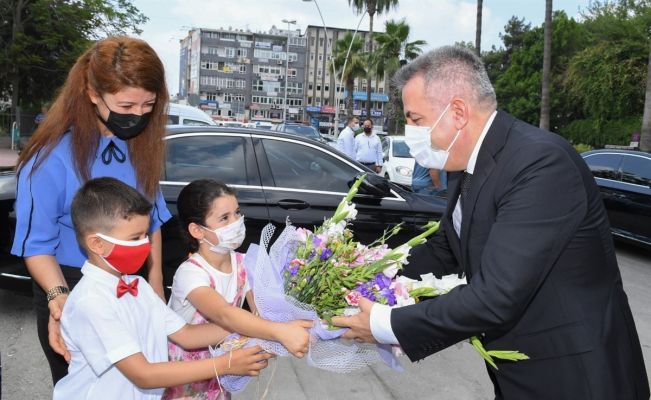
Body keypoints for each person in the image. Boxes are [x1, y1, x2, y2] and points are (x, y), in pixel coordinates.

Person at [332, 46, 649, 399]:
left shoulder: (540, 163)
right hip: (519, 373)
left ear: (457, 112)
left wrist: (382, 323)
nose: (411, 133)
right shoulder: (465, 167)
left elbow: (497, 296)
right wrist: (366, 271)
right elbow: (444, 251)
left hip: (575, 376)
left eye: (416, 120)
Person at [11, 36, 171, 384]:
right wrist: (60, 299)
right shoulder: (49, 158)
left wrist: (155, 284)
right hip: (73, 285)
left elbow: (153, 223)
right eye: (127, 107)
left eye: (149, 106)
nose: (139, 117)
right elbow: (36, 245)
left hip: (132, 283)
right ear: (93, 93)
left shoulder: (142, 148)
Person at [53, 177, 272, 399]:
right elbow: (143, 374)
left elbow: (186, 335)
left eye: (145, 235)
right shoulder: (91, 301)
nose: (145, 244)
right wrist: (224, 364)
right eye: (135, 238)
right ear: (97, 244)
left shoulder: (137, 286)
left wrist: (255, 329)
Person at [164, 179, 312, 399]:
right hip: (185, 376)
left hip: (226, 369)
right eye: (224, 218)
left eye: (237, 213)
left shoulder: (245, 263)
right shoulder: (191, 273)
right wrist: (278, 331)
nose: (236, 222)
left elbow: (264, 310)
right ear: (197, 230)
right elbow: (225, 314)